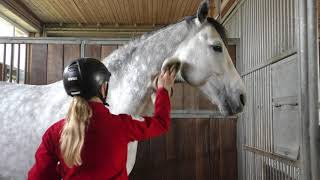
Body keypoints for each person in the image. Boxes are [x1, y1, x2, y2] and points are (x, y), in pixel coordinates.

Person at [28, 57, 176, 180]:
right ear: (103, 88)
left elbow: (39, 177)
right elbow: (161, 123)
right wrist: (163, 90)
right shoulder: (122, 125)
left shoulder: (53, 133)